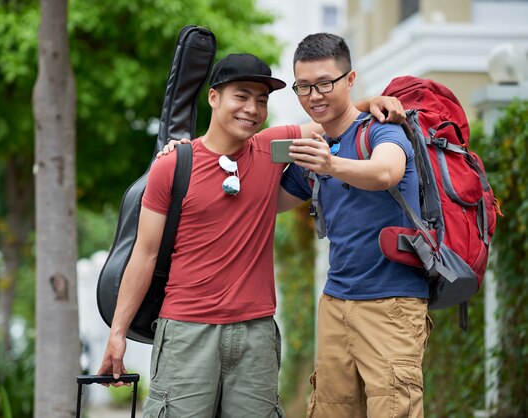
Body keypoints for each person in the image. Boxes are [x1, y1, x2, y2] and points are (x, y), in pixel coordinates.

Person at [97, 53, 405, 418]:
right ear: (214, 97)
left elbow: (333, 119)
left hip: (256, 334)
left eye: (261, 100)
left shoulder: (271, 148)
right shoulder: (173, 165)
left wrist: (373, 102)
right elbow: (144, 255)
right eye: (241, 96)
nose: (252, 109)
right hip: (187, 331)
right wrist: (117, 333)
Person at [278, 33, 432, 417]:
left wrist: (329, 164)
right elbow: (264, 202)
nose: (315, 95)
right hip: (335, 303)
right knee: (329, 410)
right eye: (304, 87)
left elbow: (387, 171)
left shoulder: (381, 128)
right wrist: (193, 157)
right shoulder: (314, 151)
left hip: (391, 304)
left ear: (350, 79)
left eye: (325, 83)